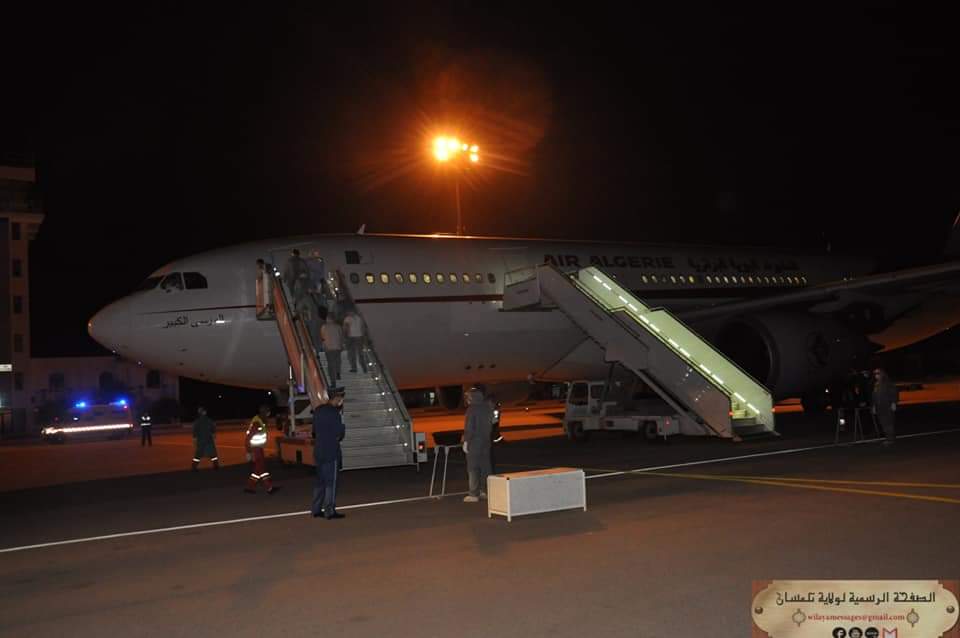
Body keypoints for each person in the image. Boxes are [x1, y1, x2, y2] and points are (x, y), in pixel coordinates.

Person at [311, 391, 346, 519]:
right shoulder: (334, 413)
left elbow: (314, 431)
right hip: (331, 451)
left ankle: (316, 509)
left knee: (320, 482)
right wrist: (342, 427)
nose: (341, 402)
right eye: (341, 399)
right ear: (336, 399)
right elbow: (339, 433)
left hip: (319, 450)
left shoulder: (318, 410)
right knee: (331, 482)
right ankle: (329, 511)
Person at [462, 387, 494, 503]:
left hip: (475, 442)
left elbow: (470, 428)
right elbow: (492, 423)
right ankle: (485, 491)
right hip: (486, 441)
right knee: (485, 467)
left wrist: (466, 441)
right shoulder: (487, 408)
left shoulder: (472, 409)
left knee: (473, 467)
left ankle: (473, 494)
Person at [244, 405, 276, 494]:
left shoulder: (260, 421)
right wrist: (248, 451)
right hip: (255, 449)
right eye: (267, 412)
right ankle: (269, 487)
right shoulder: (257, 423)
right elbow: (248, 437)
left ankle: (251, 487)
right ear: (263, 412)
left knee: (258, 469)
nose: (269, 414)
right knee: (261, 468)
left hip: (258, 448)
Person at [871, 366, 899, 447]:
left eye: (878, 373)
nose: (876, 375)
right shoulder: (876, 384)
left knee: (888, 423)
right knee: (883, 423)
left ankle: (890, 439)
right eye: (875, 374)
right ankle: (888, 438)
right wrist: (874, 406)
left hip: (887, 406)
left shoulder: (887, 382)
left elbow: (894, 393)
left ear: (882, 374)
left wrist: (893, 403)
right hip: (879, 407)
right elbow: (874, 396)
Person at [191, 406, 219, 471]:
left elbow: (195, 431)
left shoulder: (197, 421)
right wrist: (214, 434)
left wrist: (194, 439)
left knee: (198, 454)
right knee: (213, 453)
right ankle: (216, 466)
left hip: (200, 440)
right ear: (205, 412)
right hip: (209, 440)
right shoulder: (209, 420)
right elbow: (213, 428)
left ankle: (194, 467)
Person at [343, 308, 368, 374]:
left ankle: (354, 368)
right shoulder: (360, 318)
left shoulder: (347, 318)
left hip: (351, 337)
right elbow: (363, 327)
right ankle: (364, 368)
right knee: (360, 353)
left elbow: (345, 328)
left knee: (351, 353)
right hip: (359, 337)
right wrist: (363, 336)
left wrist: (345, 337)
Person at [320, 313, 344, 382]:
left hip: (328, 347)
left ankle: (333, 380)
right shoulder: (338, 326)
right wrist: (341, 345)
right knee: (337, 361)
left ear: (328, 319)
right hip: (337, 347)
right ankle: (338, 372)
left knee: (330, 363)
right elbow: (341, 336)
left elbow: (322, 337)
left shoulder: (324, 327)